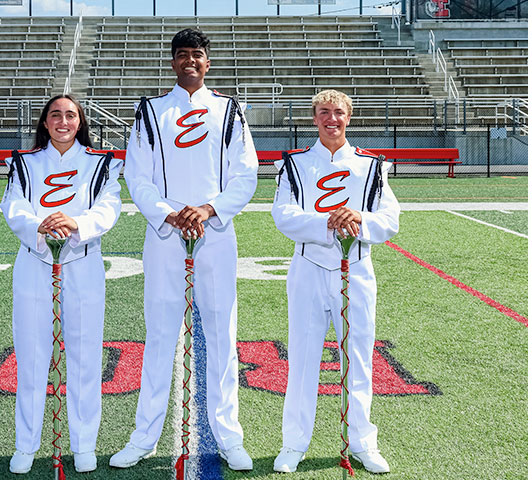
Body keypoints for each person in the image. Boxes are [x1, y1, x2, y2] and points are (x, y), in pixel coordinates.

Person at [115, 27, 260, 471]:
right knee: (160, 335)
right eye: (182, 55)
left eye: (197, 55)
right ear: (173, 61)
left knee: (222, 336)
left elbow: (246, 174)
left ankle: (229, 438)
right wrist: (167, 213)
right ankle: (144, 438)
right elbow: (135, 176)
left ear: (207, 62)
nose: (189, 61)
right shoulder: (151, 111)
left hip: (215, 234)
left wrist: (210, 209)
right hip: (164, 237)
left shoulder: (229, 110)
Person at [269, 89, 397, 474]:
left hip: (356, 269)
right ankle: (294, 443)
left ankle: (362, 442)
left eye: (338, 112)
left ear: (348, 117)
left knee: (357, 359)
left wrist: (357, 218)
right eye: (323, 112)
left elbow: (390, 220)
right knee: (303, 357)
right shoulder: (294, 164)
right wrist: (327, 221)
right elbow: (283, 215)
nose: (331, 119)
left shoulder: (371, 166)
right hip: (308, 268)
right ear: (314, 118)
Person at [0, 94, 122, 474]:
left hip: (82, 263)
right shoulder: (24, 163)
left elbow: (108, 208)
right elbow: (13, 205)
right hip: (34, 261)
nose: (63, 121)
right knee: (31, 355)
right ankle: (26, 445)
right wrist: (39, 225)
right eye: (56, 115)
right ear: (46, 122)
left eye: (71, 115)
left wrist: (75, 225)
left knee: (85, 357)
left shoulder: (100, 164)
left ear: (80, 121)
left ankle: (85, 444)